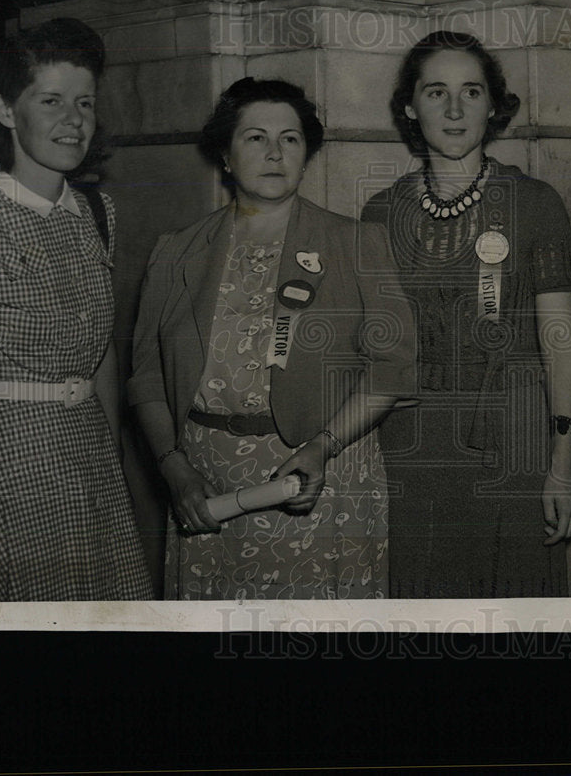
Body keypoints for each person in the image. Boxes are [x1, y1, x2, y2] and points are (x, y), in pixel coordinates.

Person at [129, 77, 416, 600]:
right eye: (255, 137)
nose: (274, 152)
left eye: (290, 138)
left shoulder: (355, 242)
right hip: (206, 478)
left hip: (319, 475)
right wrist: (173, 468)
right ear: (225, 153)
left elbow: (392, 367)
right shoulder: (175, 251)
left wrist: (323, 448)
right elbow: (147, 377)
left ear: (307, 153)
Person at [361, 31, 571, 598]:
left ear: (493, 105)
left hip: (515, 437)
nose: (455, 110)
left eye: (471, 92)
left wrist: (564, 459)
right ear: (411, 107)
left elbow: (560, 341)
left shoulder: (535, 202)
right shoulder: (381, 212)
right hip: (411, 442)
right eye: (436, 93)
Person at [0, 17, 152, 601]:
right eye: (50, 101)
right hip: (5, 462)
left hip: (90, 456)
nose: (73, 120)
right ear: (4, 110)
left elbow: (101, 355)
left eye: (85, 103)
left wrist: (115, 457)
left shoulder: (99, 214)